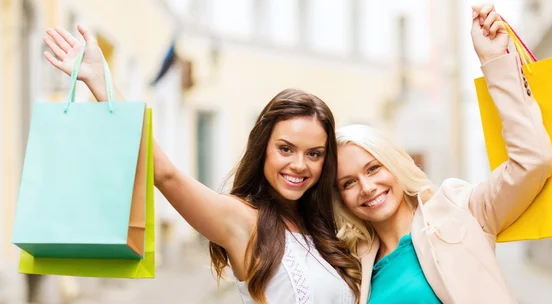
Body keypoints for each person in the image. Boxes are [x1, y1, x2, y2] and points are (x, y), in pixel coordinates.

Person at [42, 26, 360, 304]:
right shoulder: (243, 221)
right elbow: (165, 174)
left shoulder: (324, 229)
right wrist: (101, 84)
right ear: (264, 149)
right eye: (286, 149)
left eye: (314, 154)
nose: (299, 165)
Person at [333, 4, 552, 304]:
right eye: (348, 182)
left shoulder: (457, 209)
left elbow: (533, 161)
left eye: (373, 168)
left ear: (395, 164)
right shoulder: (353, 264)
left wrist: (494, 62)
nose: (367, 187)